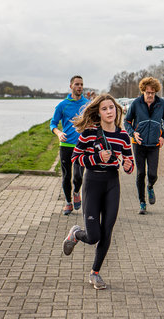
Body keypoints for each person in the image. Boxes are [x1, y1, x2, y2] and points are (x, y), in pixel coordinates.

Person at [62, 94, 134, 290]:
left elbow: (129, 163)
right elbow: (76, 158)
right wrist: (97, 157)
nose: (109, 111)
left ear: (117, 110)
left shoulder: (123, 136)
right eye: (104, 109)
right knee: (94, 236)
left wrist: (128, 165)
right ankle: (76, 234)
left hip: (112, 182)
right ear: (99, 112)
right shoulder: (89, 133)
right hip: (92, 182)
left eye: (112, 107)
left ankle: (95, 273)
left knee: (107, 231)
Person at [124, 77, 164, 215]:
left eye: (153, 92)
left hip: (154, 145)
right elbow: (126, 121)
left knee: (152, 174)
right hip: (138, 144)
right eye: (147, 92)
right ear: (143, 91)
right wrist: (133, 134)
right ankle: (142, 202)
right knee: (140, 173)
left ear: (156, 92)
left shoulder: (161, 104)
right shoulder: (136, 104)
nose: (150, 95)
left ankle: (150, 186)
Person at [50, 75, 90, 215]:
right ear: (71, 86)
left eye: (81, 84)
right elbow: (53, 124)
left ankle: (76, 191)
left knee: (78, 176)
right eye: (77, 84)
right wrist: (59, 133)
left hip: (82, 146)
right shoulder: (62, 105)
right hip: (66, 145)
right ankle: (68, 202)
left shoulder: (88, 104)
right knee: (66, 175)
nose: (79, 87)